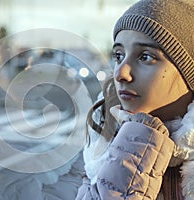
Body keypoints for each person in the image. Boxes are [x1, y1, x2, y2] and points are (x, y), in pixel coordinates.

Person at [75, 0, 194, 199]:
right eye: (119, 55)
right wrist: (135, 150)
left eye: (146, 57)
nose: (121, 73)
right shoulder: (100, 153)